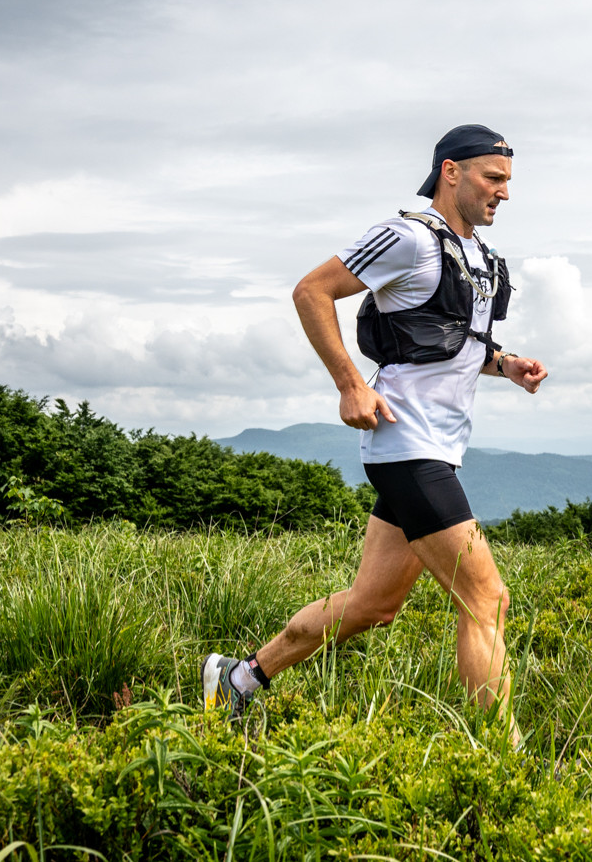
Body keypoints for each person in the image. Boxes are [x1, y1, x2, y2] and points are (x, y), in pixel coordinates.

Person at [201, 124, 548, 732]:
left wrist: (507, 365)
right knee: (485, 597)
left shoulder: (481, 260)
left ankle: (238, 678)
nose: (504, 193)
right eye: (493, 178)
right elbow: (312, 291)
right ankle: (498, 758)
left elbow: (450, 344)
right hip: (405, 443)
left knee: (372, 606)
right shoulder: (407, 237)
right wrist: (349, 384)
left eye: (508, 182)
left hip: (439, 445)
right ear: (451, 172)